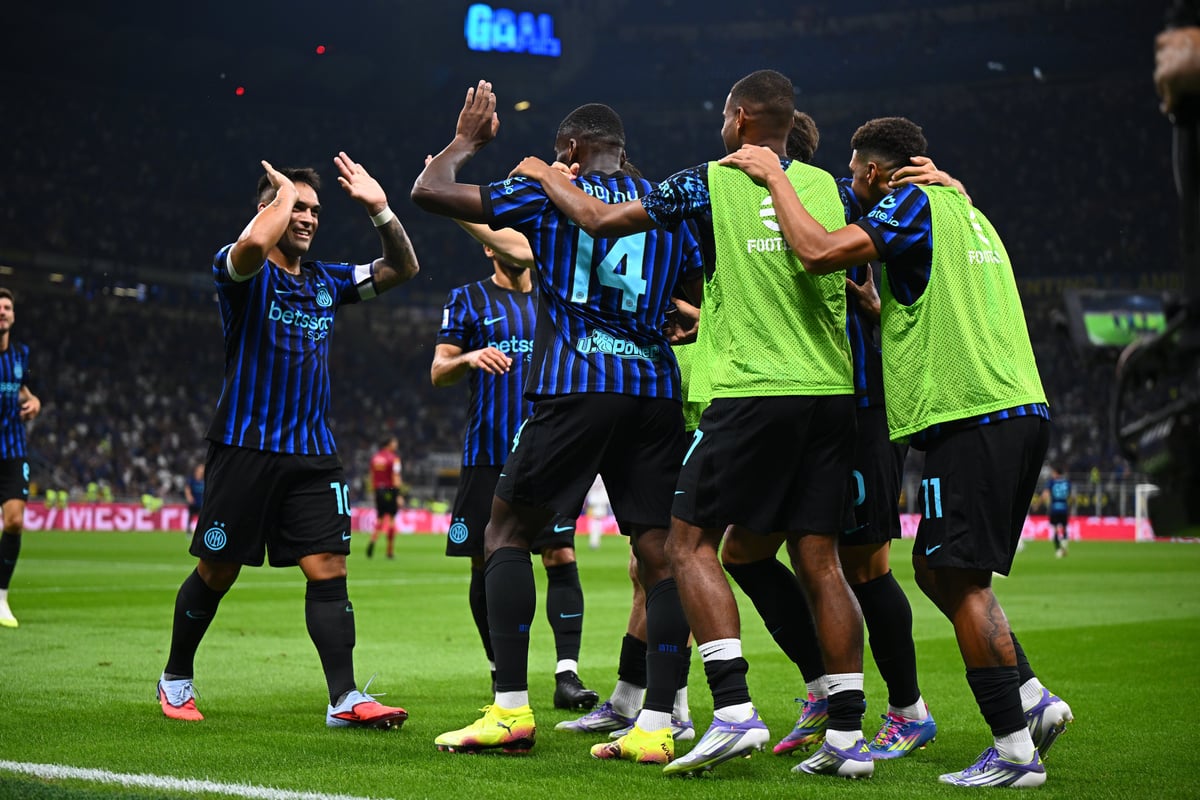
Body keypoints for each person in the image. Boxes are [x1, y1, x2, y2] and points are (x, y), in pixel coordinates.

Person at [510, 69, 871, 779]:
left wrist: (543, 175)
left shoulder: (706, 181)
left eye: (724, 115)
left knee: (686, 545)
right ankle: (848, 737)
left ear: (740, 118)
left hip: (754, 390)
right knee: (821, 560)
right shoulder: (833, 188)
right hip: (832, 394)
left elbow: (600, 221)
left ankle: (732, 710)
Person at [721, 115, 1074, 787]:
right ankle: (1029, 700)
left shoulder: (910, 202)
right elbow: (947, 304)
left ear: (874, 172)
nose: (849, 183)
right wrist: (881, 312)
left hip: (969, 411)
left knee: (944, 576)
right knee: (941, 572)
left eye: (855, 174)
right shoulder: (965, 209)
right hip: (1009, 406)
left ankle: (1009, 749)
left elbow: (817, 251)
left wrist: (772, 177)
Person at [413, 82, 702, 761]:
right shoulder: (666, 205)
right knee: (660, 554)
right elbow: (689, 301)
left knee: (506, 532)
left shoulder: (547, 191)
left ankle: (511, 711)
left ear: (571, 148)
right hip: (653, 391)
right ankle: (657, 725)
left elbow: (429, 191)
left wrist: (464, 142)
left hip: (577, 384)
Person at [156, 152, 420, 729]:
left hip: (313, 454)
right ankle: (175, 678)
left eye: (315, 210)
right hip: (244, 447)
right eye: (297, 207)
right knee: (218, 570)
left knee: (329, 567)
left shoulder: (327, 281)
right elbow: (253, 245)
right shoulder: (239, 271)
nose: (308, 218)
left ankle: (343, 698)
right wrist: (278, 200)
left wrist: (380, 209)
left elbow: (403, 267)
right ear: (269, 209)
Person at [720, 111, 937, 763]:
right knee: (747, 552)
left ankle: (907, 709)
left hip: (859, 407)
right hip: (798, 407)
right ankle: (824, 689)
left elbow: (878, 228)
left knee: (862, 565)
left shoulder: (837, 200)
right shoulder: (772, 214)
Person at [431, 241, 598, 710]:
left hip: (548, 451)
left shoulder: (557, 294)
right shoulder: (467, 298)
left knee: (560, 553)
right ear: (488, 245)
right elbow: (438, 370)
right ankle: (499, 670)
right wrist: (467, 358)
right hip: (487, 453)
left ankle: (567, 675)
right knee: (484, 561)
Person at [0, 288, 42, 629]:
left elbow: (24, 392)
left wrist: (34, 402)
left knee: (14, 521)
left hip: (12, 449)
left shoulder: (19, 355)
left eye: (7, 307)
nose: (2, 311)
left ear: (13, 316)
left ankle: (1, 597)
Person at [365, 436, 402, 559]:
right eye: (394, 442)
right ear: (389, 444)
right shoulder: (394, 458)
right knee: (391, 519)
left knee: (380, 518)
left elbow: (371, 475)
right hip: (390, 490)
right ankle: (389, 551)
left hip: (378, 490)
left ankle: (373, 539)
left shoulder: (375, 458)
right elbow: (396, 476)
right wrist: (398, 494)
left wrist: (373, 491)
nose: (396, 445)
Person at [1043, 466, 1072, 558]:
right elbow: (1070, 496)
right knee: (1064, 528)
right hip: (1064, 508)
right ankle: (1064, 548)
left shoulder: (1052, 482)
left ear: (1056, 473)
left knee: (1055, 530)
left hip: (1054, 508)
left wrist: (1042, 503)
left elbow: (1045, 494)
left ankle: (1059, 550)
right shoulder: (1067, 482)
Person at [184, 464, 205, 532]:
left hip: (201, 503)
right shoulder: (192, 479)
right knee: (191, 516)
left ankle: (201, 530)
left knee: (202, 517)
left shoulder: (205, 480)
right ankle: (188, 530)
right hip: (193, 502)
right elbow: (187, 488)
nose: (202, 471)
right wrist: (189, 496)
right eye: (201, 469)